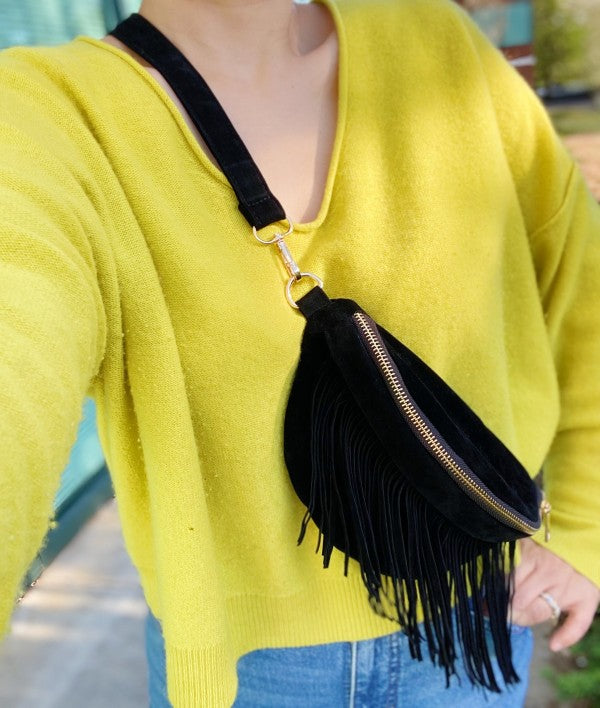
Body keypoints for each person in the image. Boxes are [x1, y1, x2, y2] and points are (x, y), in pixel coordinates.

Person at [0, 0, 599, 705]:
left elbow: (582, 294)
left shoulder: (440, 45)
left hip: (477, 619)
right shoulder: (49, 117)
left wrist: (586, 523)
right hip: (246, 668)